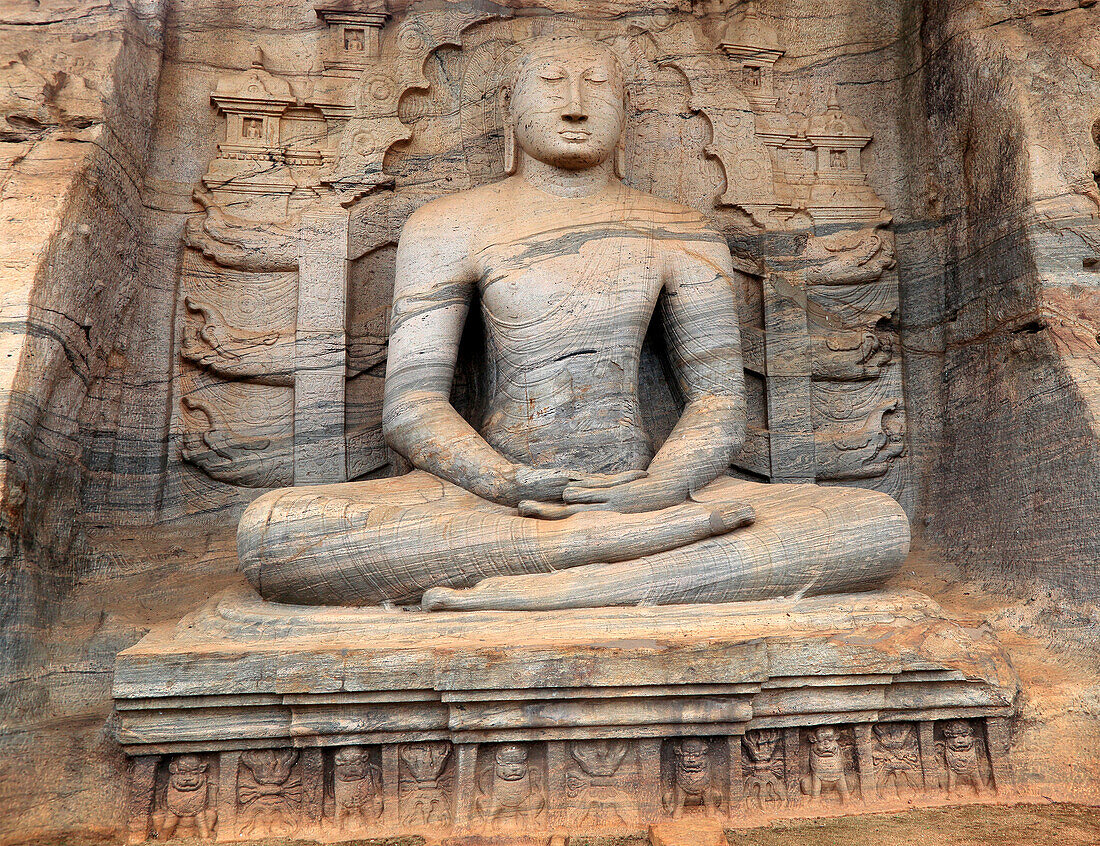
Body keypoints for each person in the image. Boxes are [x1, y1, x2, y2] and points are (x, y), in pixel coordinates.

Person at [236, 35, 909, 610]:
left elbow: (719, 402)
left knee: (873, 526)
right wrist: (505, 482)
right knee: (273, 535)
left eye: (597, 86)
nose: (576, 102)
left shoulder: (680, 231)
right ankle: (619, 564)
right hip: (491, 503)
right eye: (552, 83)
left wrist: (659, 489)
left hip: (652, 493)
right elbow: (412, 406)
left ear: (627, 115)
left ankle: (537, 583)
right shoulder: (446, 225)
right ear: (509, 109)